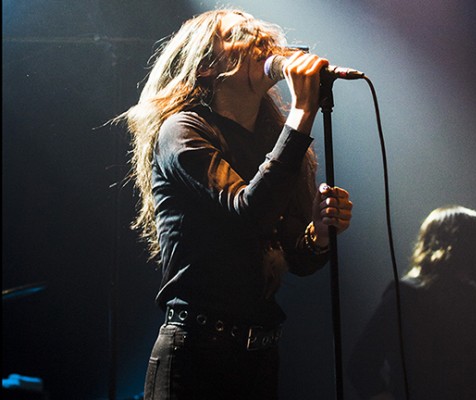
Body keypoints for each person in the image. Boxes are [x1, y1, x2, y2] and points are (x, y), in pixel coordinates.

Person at [114, 8, 353, 400]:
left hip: (259, 358)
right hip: (196, 358)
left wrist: (320, 234)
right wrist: (303, 111)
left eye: (262, 33)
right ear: (207, 65)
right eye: (240, 33)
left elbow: (298, 256)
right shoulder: (182, 130)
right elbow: (249, 210)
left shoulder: (273, 135)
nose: (261, 40)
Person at [347, 205, 476, 400]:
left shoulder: (468, 296)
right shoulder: (406, 295)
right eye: (473, 252)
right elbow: (361, 364)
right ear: (456, 250)